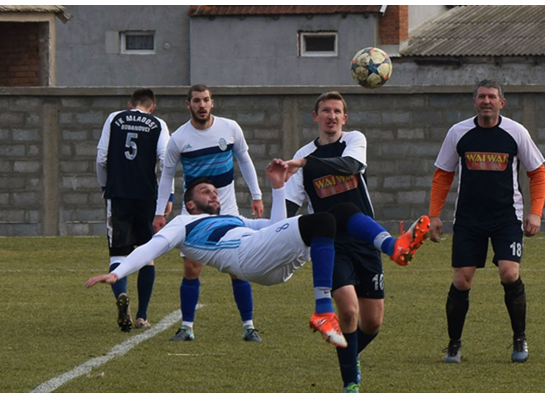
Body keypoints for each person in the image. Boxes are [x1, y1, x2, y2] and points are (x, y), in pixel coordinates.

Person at [89, 159, 430, 358]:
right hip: (248, 258)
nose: (214, 194)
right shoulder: (185, 222)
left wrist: (278, 186)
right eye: (205, 192)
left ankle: (393, 248)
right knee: (326, 218)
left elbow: (279, 227)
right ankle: (324, 311)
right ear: (190, 203)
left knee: (343, 210)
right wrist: (119, 271)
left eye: (214, 191)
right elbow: (153, 246)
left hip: (271, 262)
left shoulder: (235, 219)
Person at [284, 91, 415, 393]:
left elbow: (351, 166)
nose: (331, 116)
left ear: (345, 118)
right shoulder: (301, 156)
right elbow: (289, 206)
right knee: (349, 312)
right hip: (330, 246)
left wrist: (306, 163)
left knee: (373, 321)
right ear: (315, 117)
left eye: (337, 111)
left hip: (365, 240)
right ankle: (350, 384)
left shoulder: (354, 140)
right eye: (325, 111)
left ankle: (350, 355)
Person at [428, 79, 545, 364]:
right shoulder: (458, 133)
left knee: (509, 272)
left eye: (492, 97)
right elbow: (443, 174)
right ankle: (454, 344)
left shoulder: (516, 132)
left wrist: (536, 212)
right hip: (469, 219)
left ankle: (520, 338)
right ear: (474, 102)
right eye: (481, 96)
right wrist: (434, 214)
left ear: (501, 103)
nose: (486, 101)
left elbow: (538, 172)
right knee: (462, 280)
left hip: (507, 217)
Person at [153, 84, 265, 342]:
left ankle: (249, 326)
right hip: (193, 212)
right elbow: (167, 174)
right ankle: (187, 327)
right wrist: (161, 212)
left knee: (238, 266)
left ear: (212, 102)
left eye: (205, 100)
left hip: (228, 207)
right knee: (192, 268)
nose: (201, 105)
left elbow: (245, 160)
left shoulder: (230, 128)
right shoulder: (179, 138)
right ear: (188, 105)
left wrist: (256, 195)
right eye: (196, 101)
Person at [96, 88, 172, 332]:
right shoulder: (158, 123)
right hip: (146, 196)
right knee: (147, 255)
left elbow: (101, 159)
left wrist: (105, 186)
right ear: (152, 107)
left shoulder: (114, 118)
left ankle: (122, 300)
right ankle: (141, 316)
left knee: (119, 254)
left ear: (130, 105)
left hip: (118, 195)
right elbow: (165, 160)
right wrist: (167, 196)